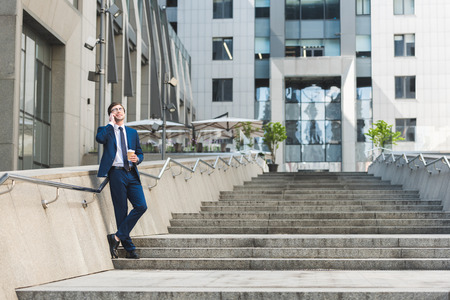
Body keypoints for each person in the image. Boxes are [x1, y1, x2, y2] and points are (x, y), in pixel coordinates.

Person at [96, 102, 147, 259]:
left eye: (120, 109)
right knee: (121, 211)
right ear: (111, 114)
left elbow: (140, 153)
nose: (118, 111)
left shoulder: (132, 132)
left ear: (124, 112)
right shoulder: (106, 130)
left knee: (141, 206)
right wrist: (110, 124)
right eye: (114, 110)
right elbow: (100, 139)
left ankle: (116, 237)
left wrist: (137, 159)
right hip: (116, 173)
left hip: (131, 173)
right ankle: (130, 249)